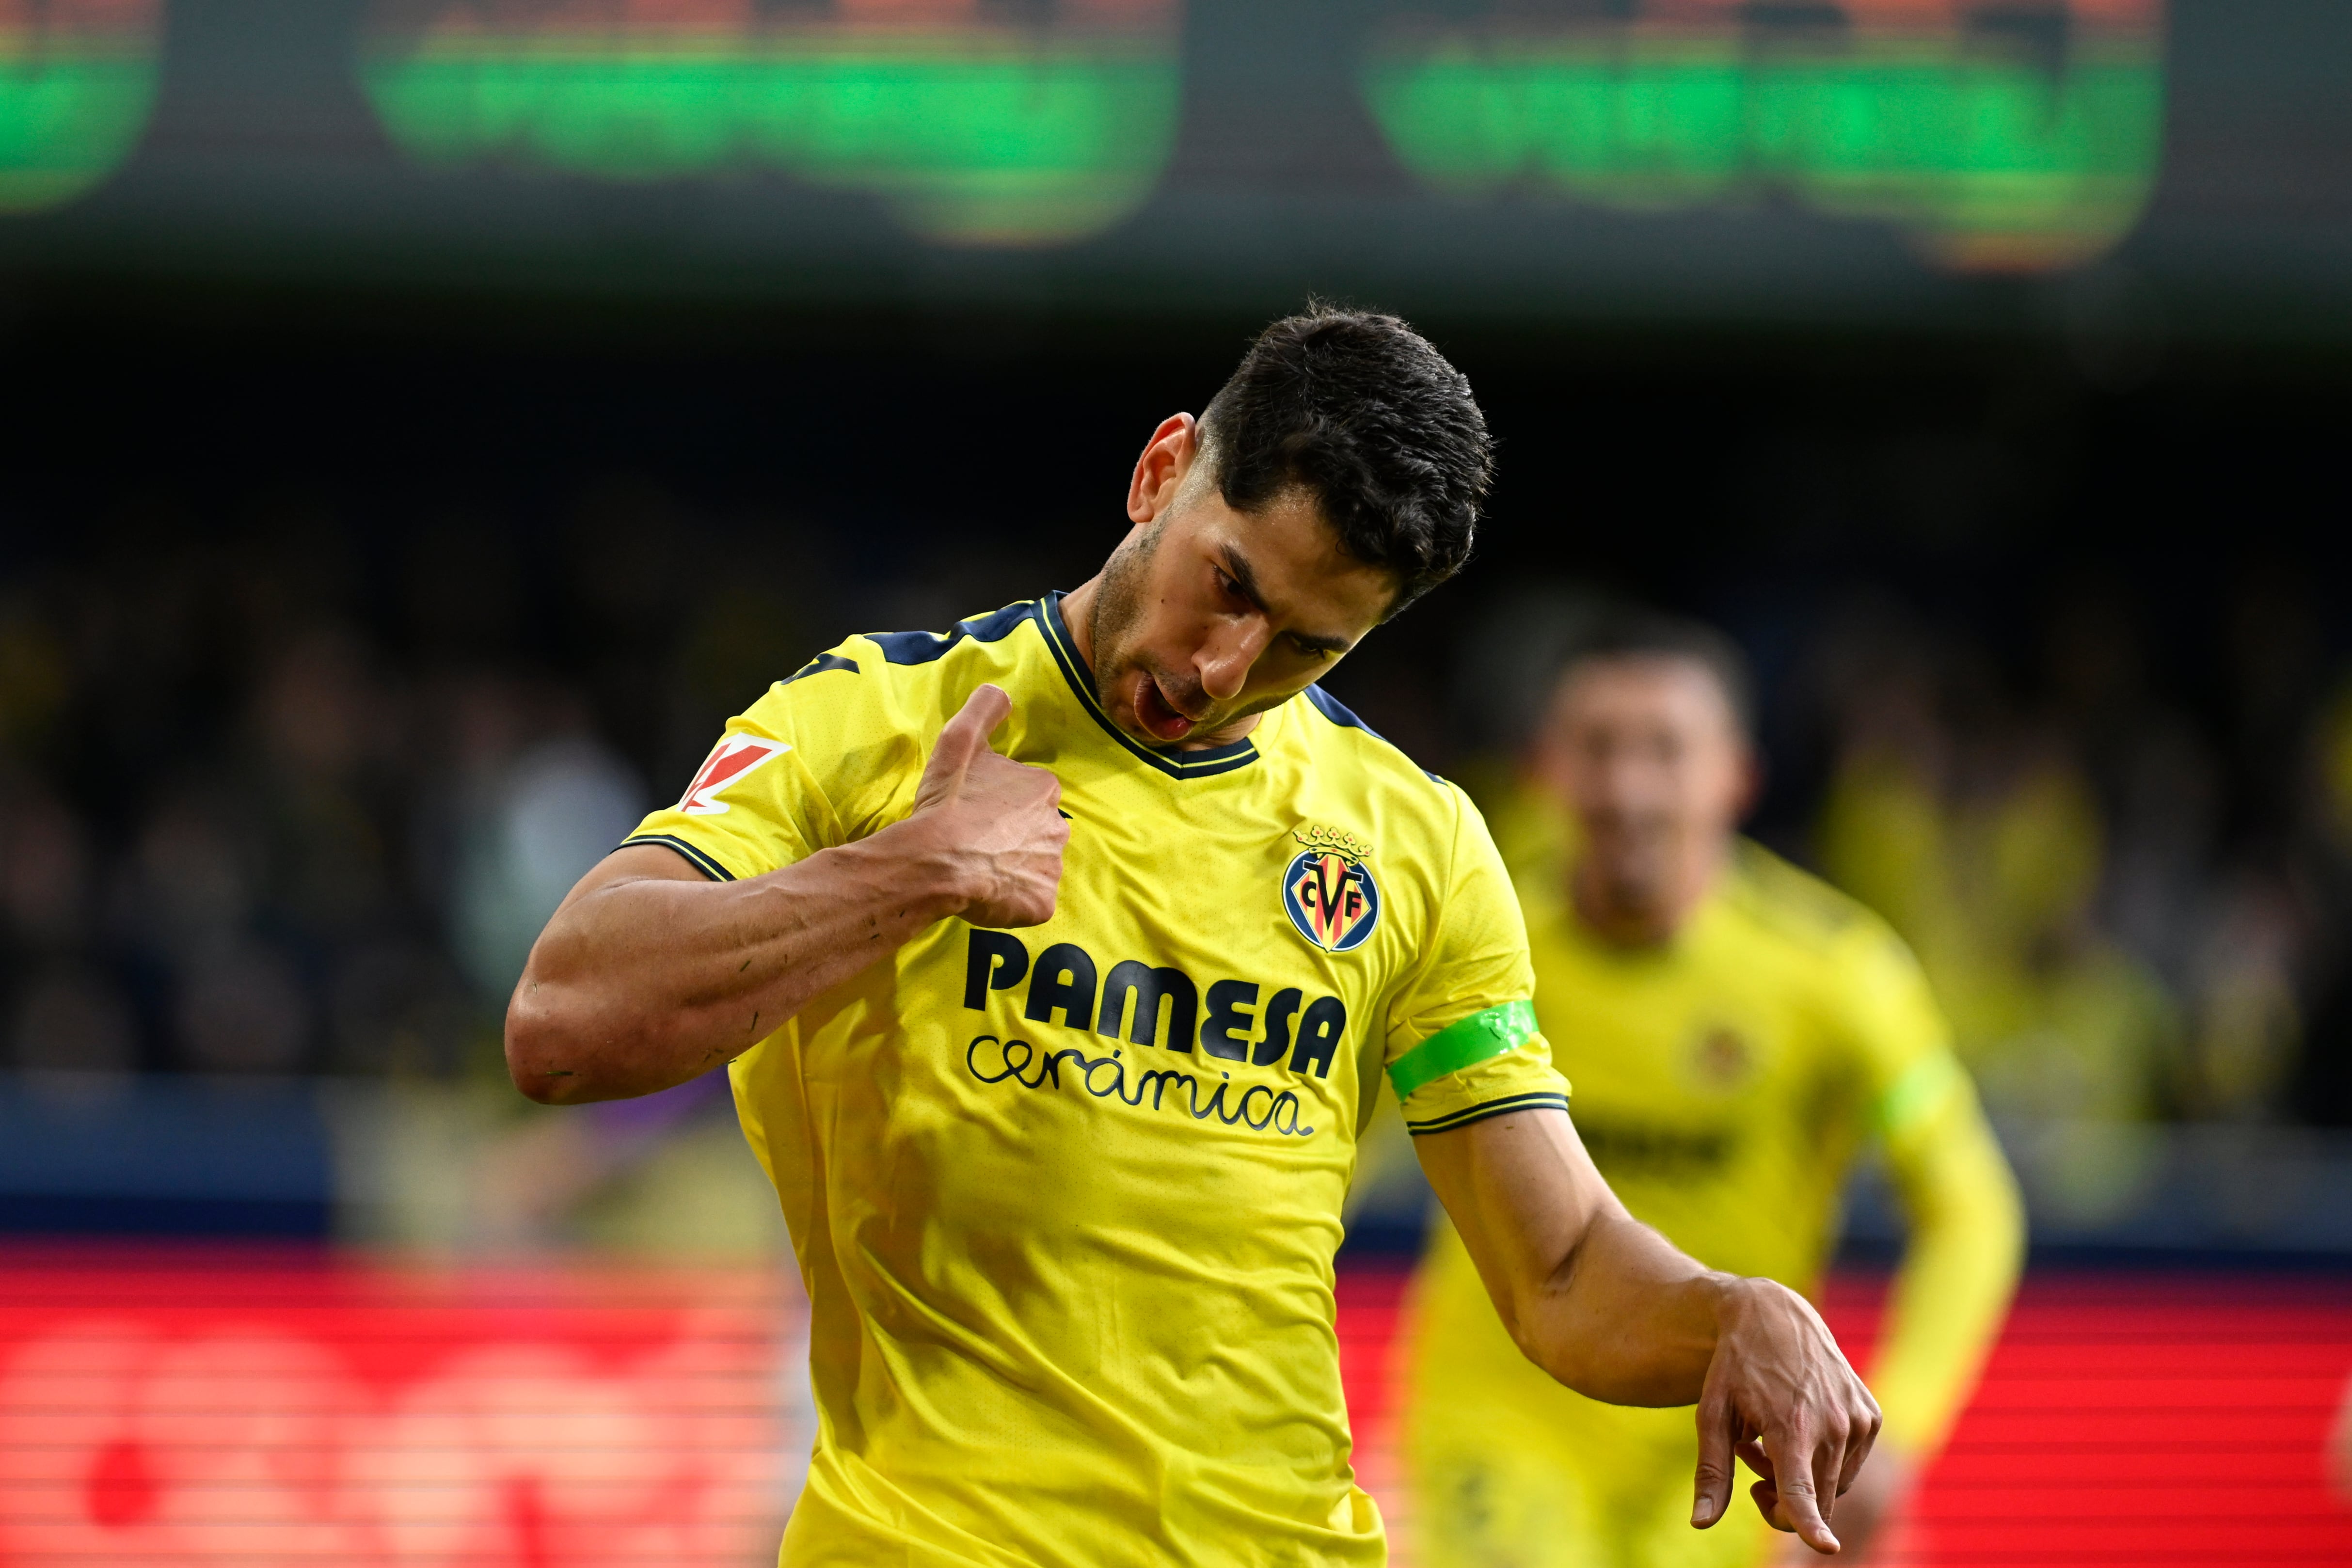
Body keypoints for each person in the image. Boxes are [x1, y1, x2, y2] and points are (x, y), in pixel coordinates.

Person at [505, 308, 1880, 1568]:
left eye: (1304, 646)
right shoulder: (876, 723)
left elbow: (1562, 1262)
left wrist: (1728, 1312)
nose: (1224, 670)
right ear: (1163, 470)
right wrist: (900, 877)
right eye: (1226, 583)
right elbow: (563, 1022)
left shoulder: (1415, 843)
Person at [1402, 610, 2025, 1568]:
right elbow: (1325, 1148)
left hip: (1738, 1442)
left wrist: (1893, 1442)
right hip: (1503, 1426)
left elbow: (1969, 1212)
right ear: (1544, 770)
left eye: (1663, 750)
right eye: (1596, 749)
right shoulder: (1474, 945)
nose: (1625, 788)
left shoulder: (1834, 978)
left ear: (1736, 772)